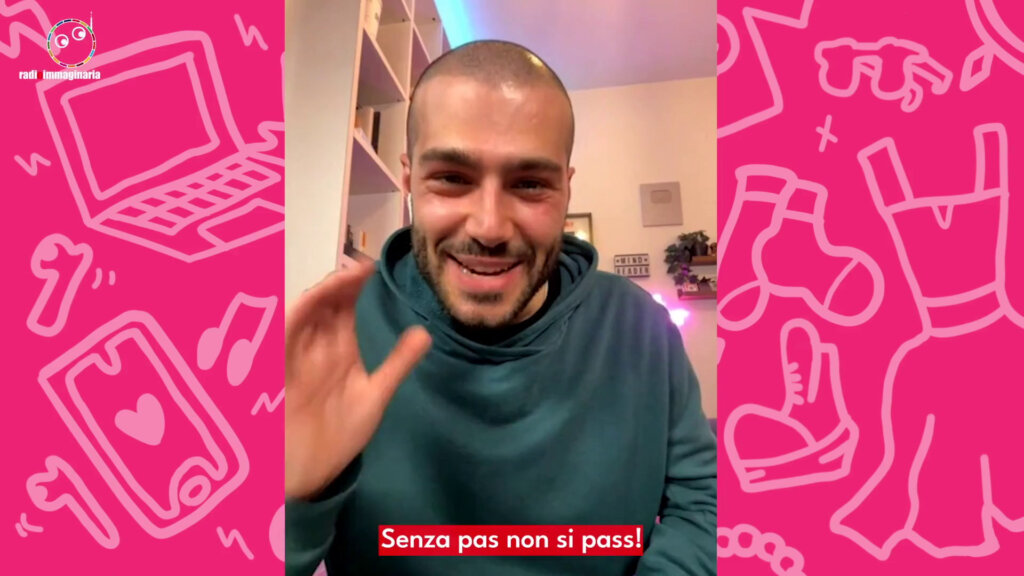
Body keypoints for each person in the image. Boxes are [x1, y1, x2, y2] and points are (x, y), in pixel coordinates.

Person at [285, 39, 716, 576]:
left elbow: (704, 501)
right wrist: (293, 506)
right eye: (451, 179)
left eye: (529, 184)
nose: (489, 227)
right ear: (409, 179)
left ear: (565, 189)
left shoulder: (639, 327)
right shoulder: (337, 341)